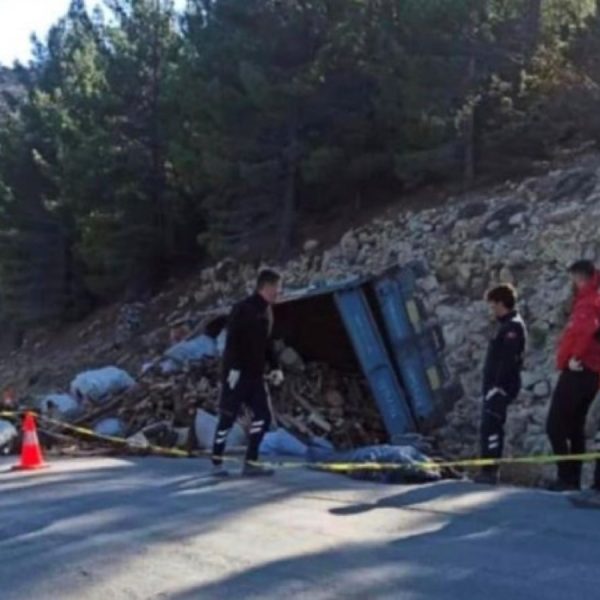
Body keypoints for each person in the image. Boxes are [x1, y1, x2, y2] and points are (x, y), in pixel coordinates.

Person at [211, 269, 284, 477]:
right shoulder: (242, 308)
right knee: (227, 417)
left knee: (263, 416)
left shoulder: (268, 312)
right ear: (266, 286)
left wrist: (276, 367)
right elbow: (232, 340)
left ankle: (251, 461)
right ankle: (217, 461)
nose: (279, 292)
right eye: (276, 287)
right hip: (236, 375)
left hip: (256, 376)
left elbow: (267, 344)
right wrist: (232, 368)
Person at [546, 260, 600, 492]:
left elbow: (585, 330)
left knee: (555, 425)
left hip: (579, 369)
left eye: (575, 281)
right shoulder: (593, 298)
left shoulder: (589, 302)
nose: (574, 286)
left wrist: (575, 357)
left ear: (581, 278)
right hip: (592, 372)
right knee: (575, 425)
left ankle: (566, 477)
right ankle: (573, 478)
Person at [474, 284, 527, 485]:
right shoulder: (506, 325)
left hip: (500, 388)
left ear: (501, 303)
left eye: (493, 305)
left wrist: (497, 387)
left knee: (492, 427)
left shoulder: (513, 327)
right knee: (488, 426)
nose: (491, 309)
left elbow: (508, 361)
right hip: (494, 387)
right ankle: (487, 468)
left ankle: (490, 470)